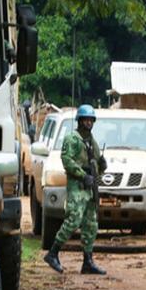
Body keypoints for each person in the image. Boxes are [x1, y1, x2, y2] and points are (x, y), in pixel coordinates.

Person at [43, 104, 108, 275]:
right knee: (73, 220)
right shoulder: (72, 138)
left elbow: (95, 162)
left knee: (90, 224)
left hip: (89, 187)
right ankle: (53, 253)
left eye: (90, 120)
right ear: (79, 121)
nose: (88, 123)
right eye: (85, 120)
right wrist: (82, 175)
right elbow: (67, 160)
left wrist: (101, 166)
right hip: (77, 185)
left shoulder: (91, 141)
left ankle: (88, 261)